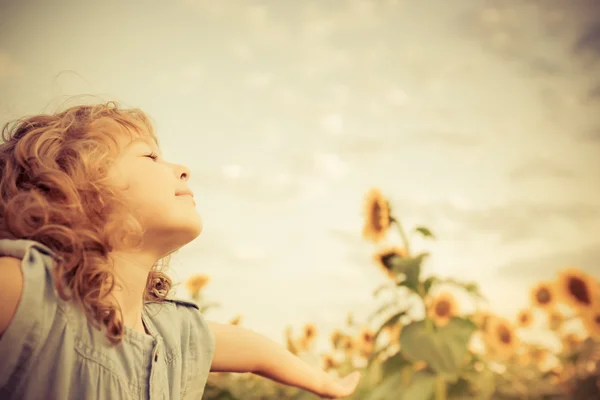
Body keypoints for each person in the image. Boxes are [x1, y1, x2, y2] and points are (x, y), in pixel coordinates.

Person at [0, 101, 361, 399]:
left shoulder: (174, 332)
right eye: (150, 157)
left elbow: (254, 351)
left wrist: (324, 383)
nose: (184, 169)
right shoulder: (30, 293)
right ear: (74, 191)